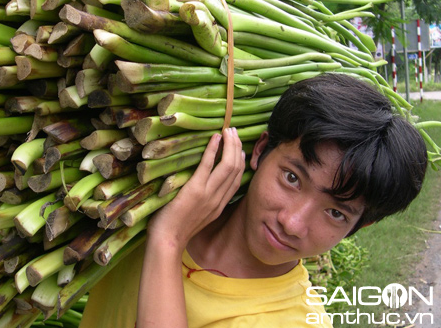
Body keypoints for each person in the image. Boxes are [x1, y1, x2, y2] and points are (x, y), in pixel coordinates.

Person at [79, 73, 428, 327]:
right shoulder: (146, 202)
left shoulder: (293, 322)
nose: (291, 222)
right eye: (292, 178)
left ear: (360, 225)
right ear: (261, 150)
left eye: (335, 212)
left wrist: (168, 240)